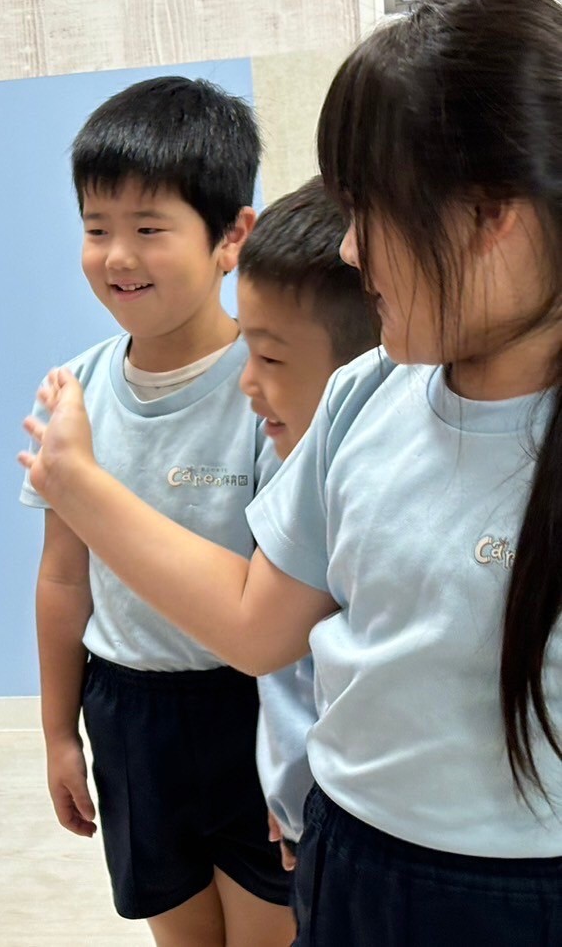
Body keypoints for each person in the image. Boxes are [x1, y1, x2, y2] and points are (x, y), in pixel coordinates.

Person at [22, 0, 562, 944]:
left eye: (372, 212)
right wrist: (73, 483)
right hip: (347, 855)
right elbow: (255, 625)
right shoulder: (364, 396)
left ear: (492, 219)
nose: (350, 252)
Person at [22, 77, 292, 946]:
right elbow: (63, 579)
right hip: (128, 710)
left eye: (148, 229)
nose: (116, 256)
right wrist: (59, 735)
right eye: (95, 228)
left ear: (231, 237)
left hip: (249, 704)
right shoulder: (76, 389)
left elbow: (290, 594)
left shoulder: (268, 387)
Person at [233, 176, 379, 873]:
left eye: (270, 357)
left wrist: (79, 484)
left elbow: (260, 637)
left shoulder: (363, 487)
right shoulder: (284, 458)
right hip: (305, 816)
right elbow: (292, 683)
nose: (246, 382)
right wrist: (285, 787)